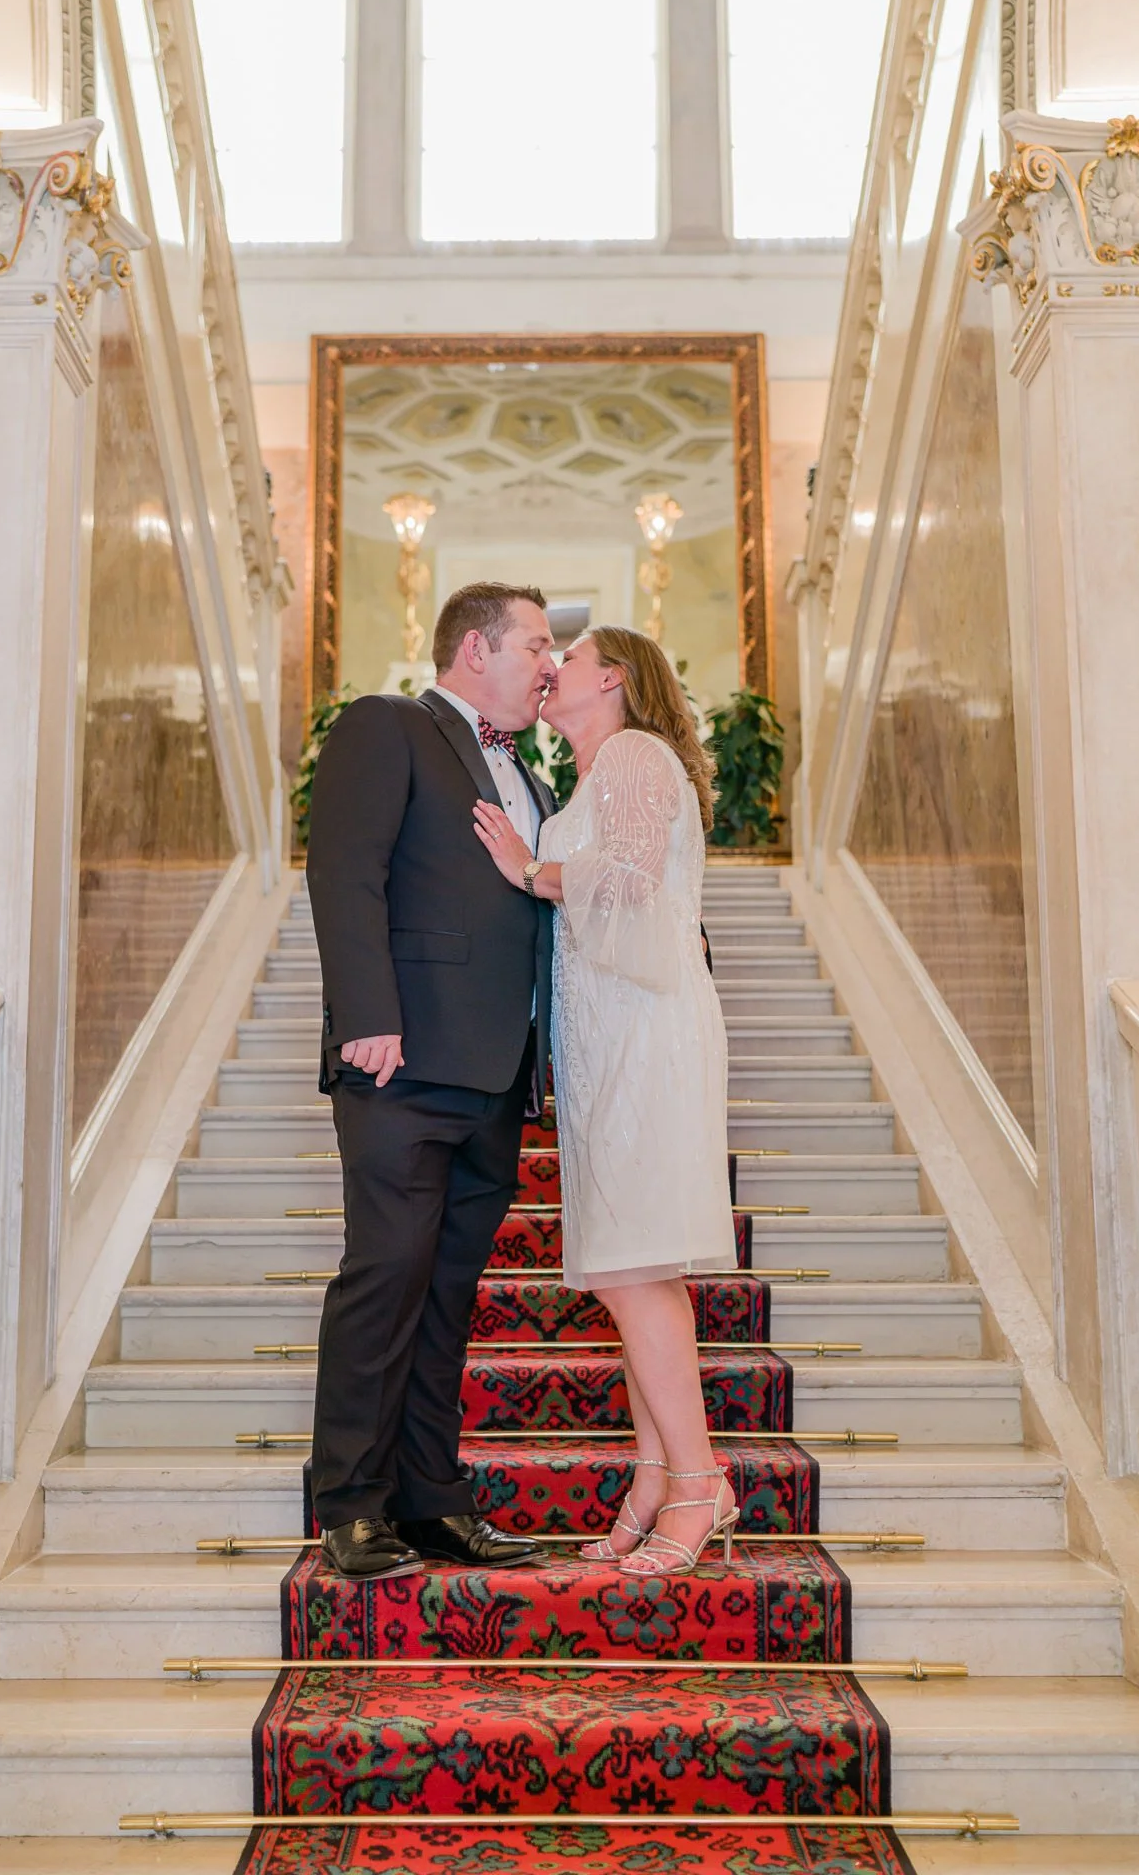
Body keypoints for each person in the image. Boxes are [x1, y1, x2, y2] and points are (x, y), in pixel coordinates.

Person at [306, 582, 560, 1579]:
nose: (549, 662)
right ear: (473, 649)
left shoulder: (524, 770)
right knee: (385, 1279)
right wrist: (367, 1012)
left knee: (447, 1293)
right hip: (403, 1062)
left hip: (495, 1073)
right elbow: (345, 870)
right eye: (535, 642)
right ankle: (351, 1503)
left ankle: (431, 1499)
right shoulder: (389, 725)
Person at [473, 625, 738, 1575]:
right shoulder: (598, 773)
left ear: (614, 680)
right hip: (604, 1038)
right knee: (636, 1268)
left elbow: (623, 887)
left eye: (568, 656)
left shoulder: (631, 752)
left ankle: (701, 1481)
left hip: (643, 1034)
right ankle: (657, 1476)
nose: (551, 668)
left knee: (633, 1271)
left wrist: (527, 872)